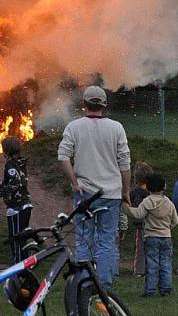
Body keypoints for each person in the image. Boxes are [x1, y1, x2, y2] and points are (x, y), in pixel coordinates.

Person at [57, 86, 131, 290]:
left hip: (85, 193)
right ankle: (104, 285)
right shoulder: (117, 128)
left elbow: (63, 156)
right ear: (104, 105)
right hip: (111, 194)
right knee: (107, 240)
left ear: (84, 105)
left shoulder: (74, 127)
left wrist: (74, 181)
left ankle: (83, 282)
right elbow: (125, 163)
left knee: (83, 238)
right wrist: (126, 191)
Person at [122, 174, 178, 297]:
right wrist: (167, 229)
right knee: (166, 263)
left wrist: (125, 206)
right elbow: (175, 220)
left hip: (151, 236)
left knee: (152, 264)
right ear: (163, 187)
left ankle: (150, 290)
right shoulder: (168, 202)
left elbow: (137, 215)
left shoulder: (147, 202)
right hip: (166, 237)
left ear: (147, 187)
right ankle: (166, 288)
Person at [0, 136, 32, 263]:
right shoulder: (20, 163)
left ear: (6, 150)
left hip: (17, 207)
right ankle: (25, 267)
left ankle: (18, 268)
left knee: (16, 239)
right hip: (26, 205)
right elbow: (6, 182)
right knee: (22, 239)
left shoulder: (10, 165)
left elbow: (15, 183)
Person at [129, 162, 153, 276]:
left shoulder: (134, 192)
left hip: (140, 224)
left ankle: (139, 270)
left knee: (140, 249)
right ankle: (151, 268)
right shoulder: (152, 192)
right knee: (151, 247)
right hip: (152, 224)